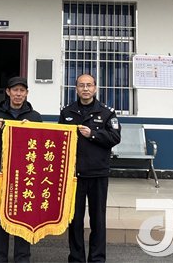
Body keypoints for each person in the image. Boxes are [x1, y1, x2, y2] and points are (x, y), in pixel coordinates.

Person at [59, 74, 121, 263]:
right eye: (81, 85)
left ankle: (97, 258)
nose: (85, 89)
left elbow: (115, 138)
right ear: (76, 89)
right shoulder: (67, 112)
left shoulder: (106, 112)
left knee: (98, 220)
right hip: (74, 175)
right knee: (75, 220)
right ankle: (76, 258)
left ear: (95, 88)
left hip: (98, 174)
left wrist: (93, 134)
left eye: (89, 85)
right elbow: (60, 140)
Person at [0, 76, 42, 263]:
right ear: (8, 92)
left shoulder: (35, 117)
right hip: (1, 175)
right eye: (15, 90)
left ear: (26, 93)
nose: (18, 94)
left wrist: (31, 131)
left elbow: (42, 147)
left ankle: (22, 258)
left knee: (24, 216)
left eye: (22, 90)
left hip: (26, 176)